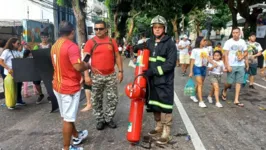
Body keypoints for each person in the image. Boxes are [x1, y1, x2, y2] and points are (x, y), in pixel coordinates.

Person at [51, 21, 89, 150]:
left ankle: (77, 135)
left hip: (58, 85)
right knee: (68, 118)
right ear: (72, 32)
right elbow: (78, 66)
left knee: (67, 115)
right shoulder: (71, 46)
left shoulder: (55, 45)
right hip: (69, 88)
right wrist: (87, 65)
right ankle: (67, 148)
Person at [140, 15, 176, 145]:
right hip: (152, 81)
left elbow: (170, 64)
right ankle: (158, 126)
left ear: (164, 29)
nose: (157, 30)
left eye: (159, 27)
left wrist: (154, 71)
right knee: (154, 104)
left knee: (165, 105)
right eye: (155, 27)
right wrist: (136, 48)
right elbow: (141, 52)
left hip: (165, 81)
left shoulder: (170, 44)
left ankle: (166, 131)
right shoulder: (149, 42)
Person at [84, 20, 123, 130]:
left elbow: (117, 56)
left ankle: (109, 118)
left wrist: (120, 71)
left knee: (113, 99)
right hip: (96, 76)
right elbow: (85, 61)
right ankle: (100, 119)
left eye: (101, 29)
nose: (98, 31)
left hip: (110, 75)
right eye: (96, 29)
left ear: (106, 29)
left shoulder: (112, 41)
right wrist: (86, 75)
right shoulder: (90, 43)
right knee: (96, 99)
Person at [221, 27, 248, 107]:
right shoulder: (228, 42)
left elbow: (246, 52)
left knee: (239, 82)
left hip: (240, 65)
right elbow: (225, 54)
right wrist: (227, 65)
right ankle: (224, 90)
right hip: (231, 65)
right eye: (233, 33)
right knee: (229, 83)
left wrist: (242, 56)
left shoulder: (242, 42)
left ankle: (236, 99)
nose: (235, 34)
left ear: (239, 33)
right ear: (232, 33)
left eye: (236, 32)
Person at [0, 38, 26, 108]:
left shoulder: (16, 51)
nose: (19, 44)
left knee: (18, 87)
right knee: (10, 88)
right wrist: (8, 68)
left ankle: (17, 101)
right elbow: (1, 61)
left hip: (17, 73)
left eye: (19, 43)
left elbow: (21, 58)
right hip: (9, 74)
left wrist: (21, 48)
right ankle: (9, 102)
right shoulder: (7, 51)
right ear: (13, 44)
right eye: (18, 43)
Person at [32, 31, 52, 104]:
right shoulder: (37, 46)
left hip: (48, 67)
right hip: (38, 67)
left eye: (45, 37)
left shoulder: (51, 46)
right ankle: (40, 94)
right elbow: (33, 56)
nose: (44, 38)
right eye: (42, 37)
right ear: (40, 38)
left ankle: (50, 95)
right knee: (36, 82)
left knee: (49, 82)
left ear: (48, 37)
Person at [189, 38, 210, 108]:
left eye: (205, 40)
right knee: (200, 84)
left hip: (204, 68)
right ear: (199, 41)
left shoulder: (206, 49)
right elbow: (192, 61)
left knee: (200, 83)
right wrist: (191, 71)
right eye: (204, 40)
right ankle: (201, 101)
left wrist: (214, 64)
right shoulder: (194, 50)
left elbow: (208, 58)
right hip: (197, 67)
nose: (205, 41)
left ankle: (193, 94)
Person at [80, 43, 92, 112]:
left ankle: (89, 104)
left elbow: (85, 63)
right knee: (88, 87)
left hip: (90, 71)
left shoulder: (87, 54)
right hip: (88, 71)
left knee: (87, 87)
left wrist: (86, 75)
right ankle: (89, 101)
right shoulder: (83, 52)